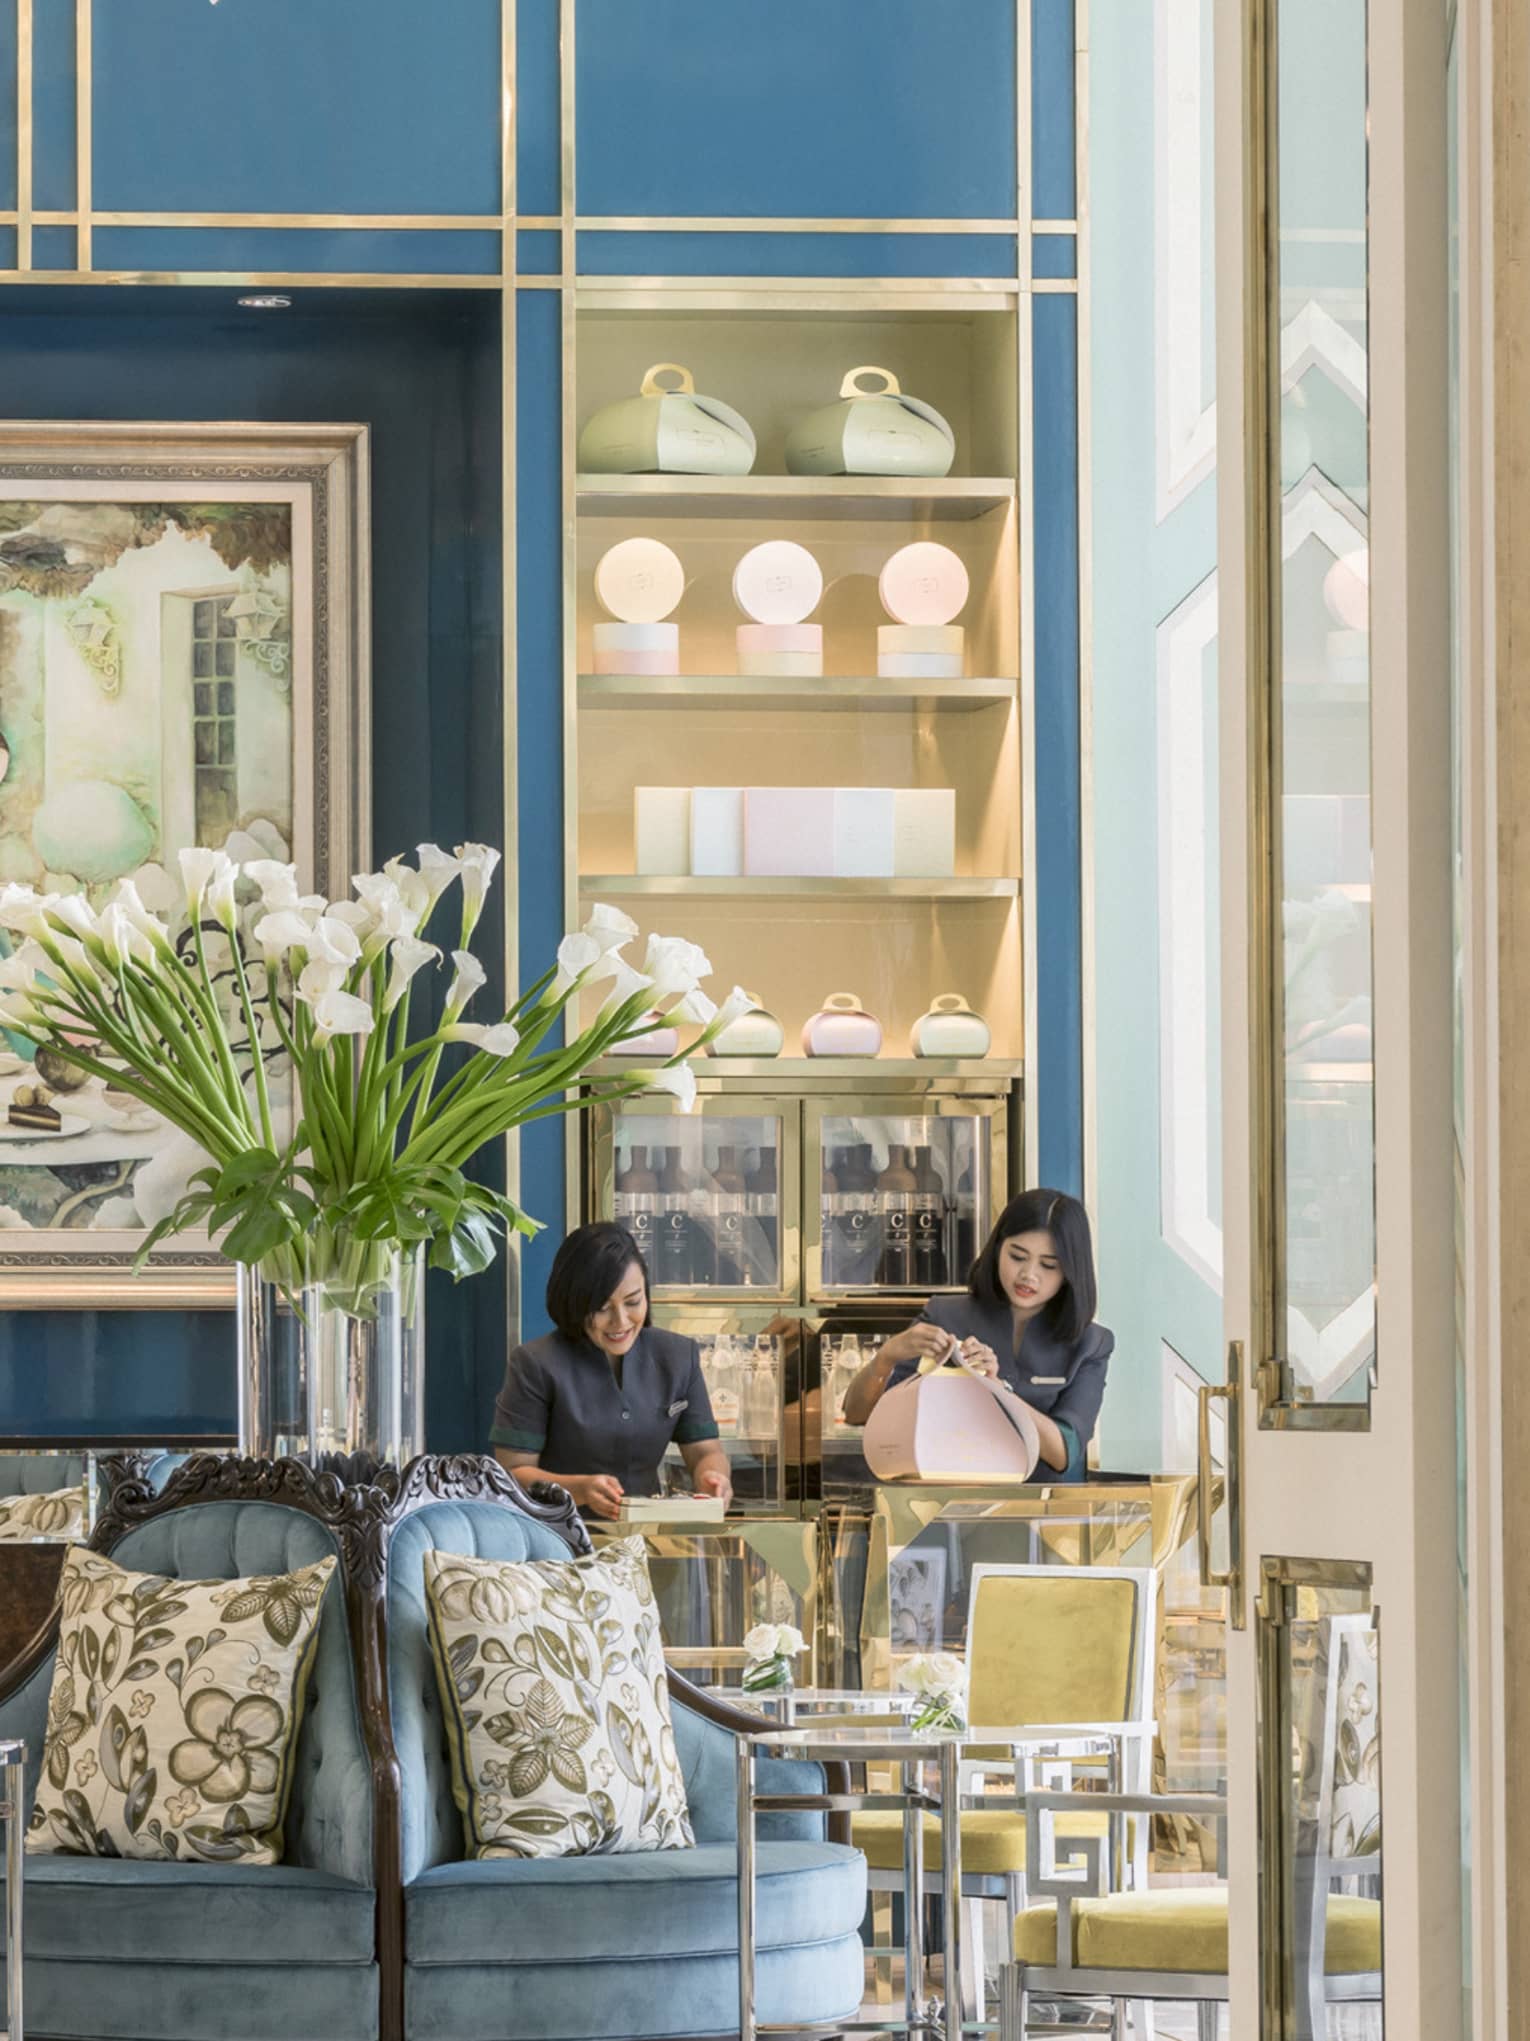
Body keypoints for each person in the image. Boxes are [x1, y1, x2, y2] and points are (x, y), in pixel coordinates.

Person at [840, 1187, 1112, 1481]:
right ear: (998, 1248)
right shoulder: (944, 1315)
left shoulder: (1091, 1344)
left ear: (1071, 1271)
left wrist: (996, 1388)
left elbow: (1064, 1453)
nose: (1029, 1275)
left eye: (1048, 1265)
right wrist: (887, 1356)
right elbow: (858, 1414)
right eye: (1018, 1256)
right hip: (938, 1509)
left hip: (1035, 1516)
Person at [491, 1222, 734, 1520]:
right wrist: (579, 1489)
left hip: (648, 1541)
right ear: (574, 1302)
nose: (621, 1321)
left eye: (633, 1302)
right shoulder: (534, 1363)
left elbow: (705, 1452)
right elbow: (510, 1474)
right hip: (557, 1541)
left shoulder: (679, 1356)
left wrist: (713, 1477)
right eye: (602, 1308)